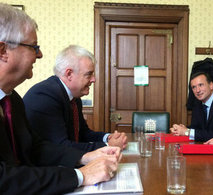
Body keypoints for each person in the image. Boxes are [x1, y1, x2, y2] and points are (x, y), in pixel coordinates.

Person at [0, 3, 121, 194]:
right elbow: (3, 179)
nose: (40, 55)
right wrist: (82, 175)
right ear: (3, 51)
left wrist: (85, 158)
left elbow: (36, 149)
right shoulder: (44, 94)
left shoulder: (12, 99)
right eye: (34, 47)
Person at [23, 45, 127, 152]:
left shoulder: (74, 98)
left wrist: (107, 137)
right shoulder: (45, 95)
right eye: (89, 74)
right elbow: (62, 146)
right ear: (69, 74)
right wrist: (108, 146)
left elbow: (83, 134)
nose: (93, 79)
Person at [170, 72, 213, 141]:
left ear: (211, 85)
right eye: (194, 87)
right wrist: (183, 129)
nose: (197, 90)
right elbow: (197, 129)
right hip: (207, 147)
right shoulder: (197, 105)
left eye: (201, 85)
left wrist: (187, 132)